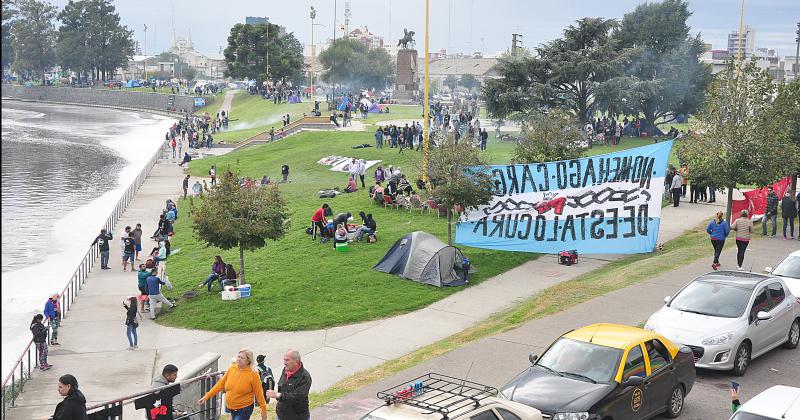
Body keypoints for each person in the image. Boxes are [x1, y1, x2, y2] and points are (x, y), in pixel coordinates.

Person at [198, 349, 268, 420]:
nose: (239, 359)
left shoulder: (253, 374)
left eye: (242, 358)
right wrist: (207, 396)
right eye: (238, 357)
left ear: (248, 361)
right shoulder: (232, 368)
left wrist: (263, 410)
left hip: (244, 409)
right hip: (232, 408)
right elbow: (220, 384)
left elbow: (259, 393)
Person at [266, 349, 312, 420]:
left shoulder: (305, 377)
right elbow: (282, 389)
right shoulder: (285, 370)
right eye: (284, 360)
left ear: (296, 362)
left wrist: (277, 395)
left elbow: (297, 398)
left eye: (287, 360)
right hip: (281, 416)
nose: (284, 363)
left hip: (298, 417)